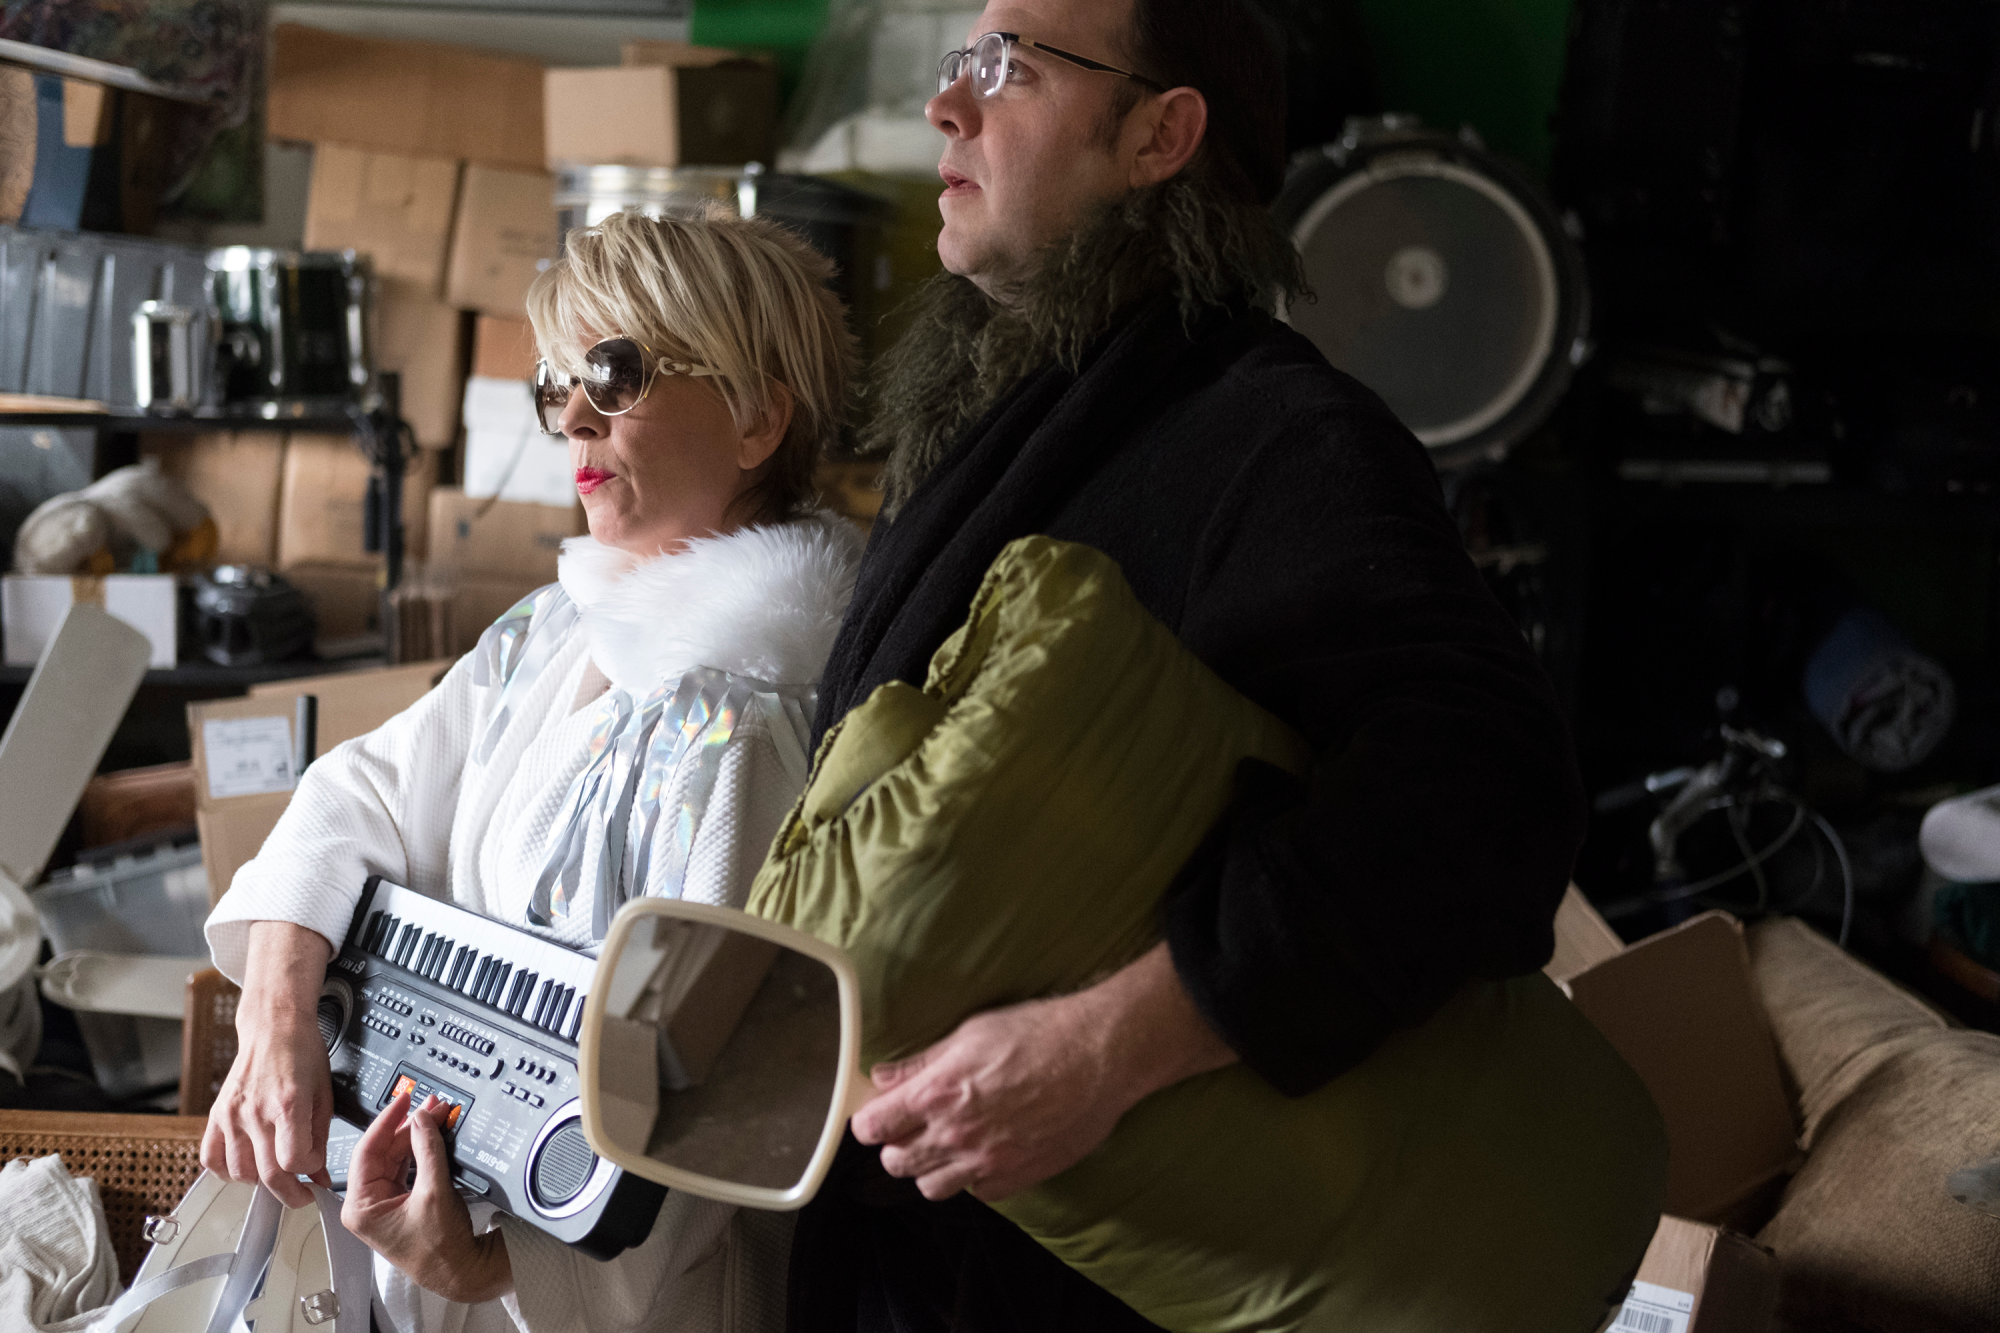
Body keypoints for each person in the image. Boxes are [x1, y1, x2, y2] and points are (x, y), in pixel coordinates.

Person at [787, 0, 1593, 1328]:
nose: (950, 105)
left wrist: (1107, 1048)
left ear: (1162, 134)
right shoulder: (1013, 409)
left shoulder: (1280, 436)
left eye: (1012, 68)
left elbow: (1489, 789)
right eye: (958, 63)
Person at [202, 208, 862, 1333]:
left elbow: (709, 1121)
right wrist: (276, 1010)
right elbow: (355, 791)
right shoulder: (553, 630)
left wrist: (500, 1268)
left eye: (616, 371)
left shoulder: (748, 730)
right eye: (556, 380)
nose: (571, 414)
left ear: (758, 418)